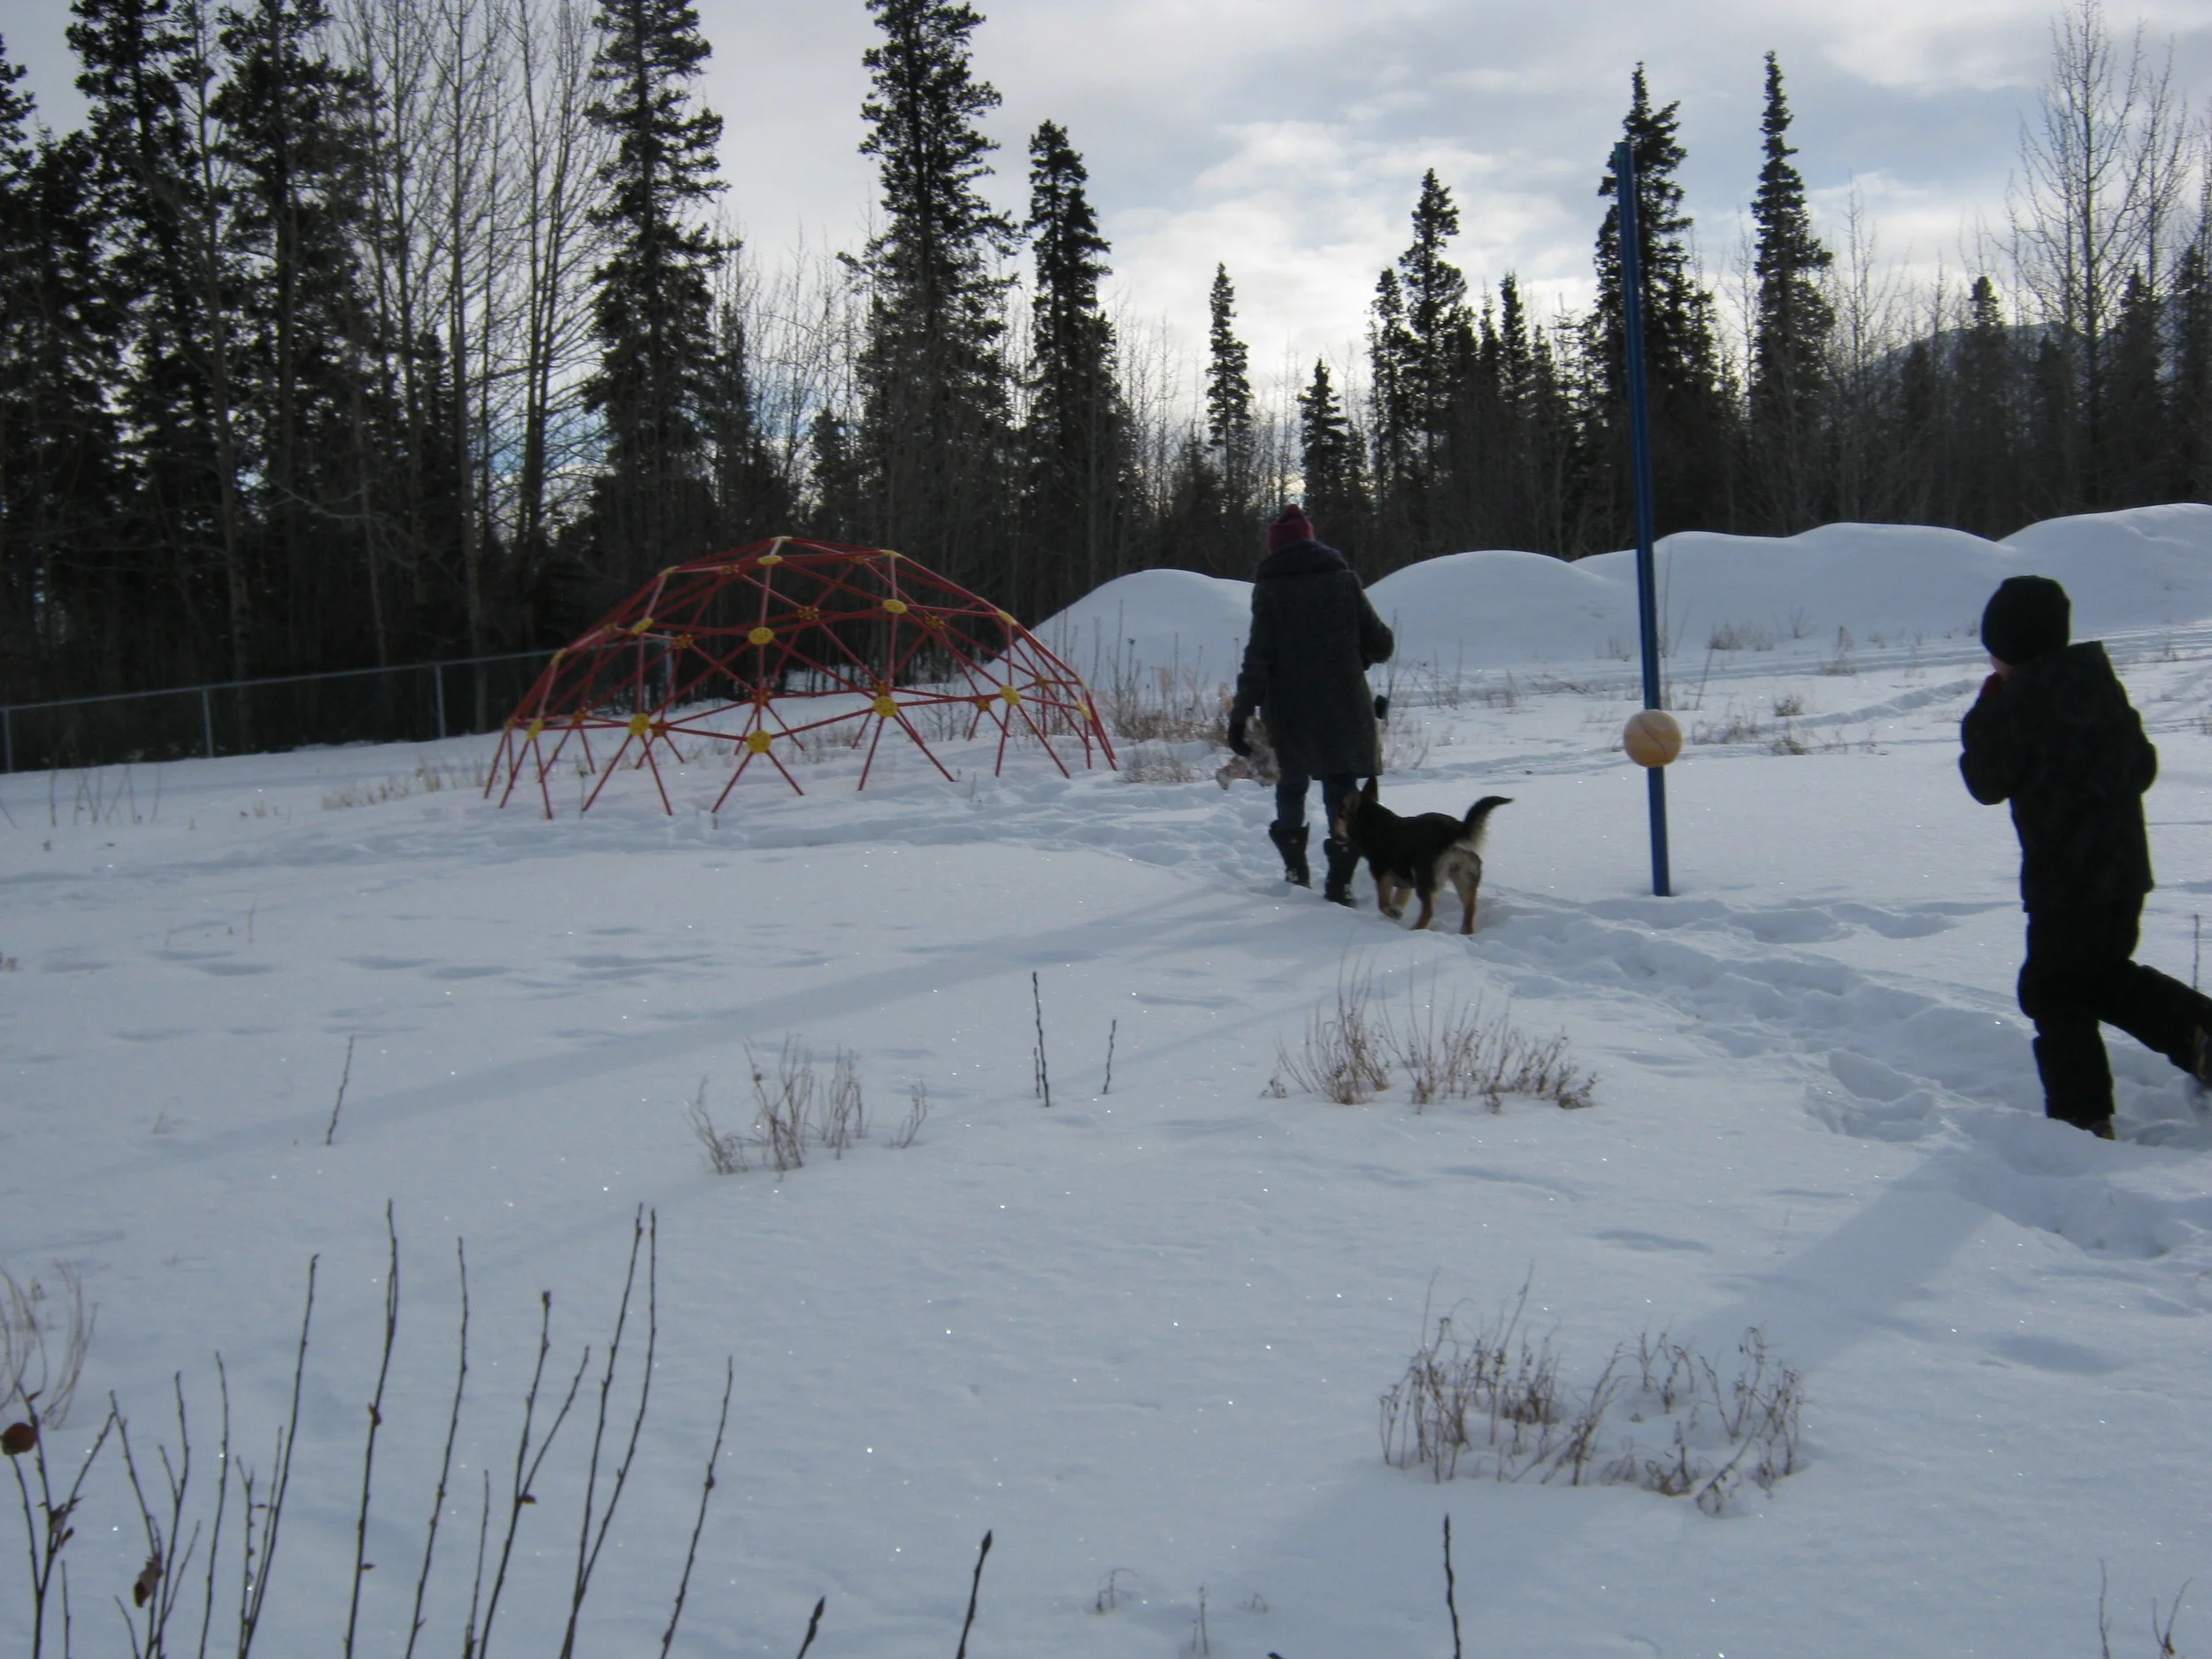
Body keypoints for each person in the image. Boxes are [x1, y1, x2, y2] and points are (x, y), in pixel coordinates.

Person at [1959, 573, 2212, 1137]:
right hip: (2125, 873)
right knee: (2101, 979)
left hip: (2063, 884)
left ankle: (2081, 1119)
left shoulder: (2014, 707)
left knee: (2054, 992)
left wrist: (1988, 710)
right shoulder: (2098, 685)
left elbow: (1986, 782)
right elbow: (2141, 766)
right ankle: (2200, 1033)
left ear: (2009, 650)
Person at [1228, 504, 1393, 903]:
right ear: (1311, 541)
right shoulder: (1344, 581)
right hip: (1344, 705)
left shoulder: (1270, 589)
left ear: (1274, 549)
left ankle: (1295, 872)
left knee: (1290, 785)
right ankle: (1340, 883)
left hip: (1289, 710)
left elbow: (1258, 658)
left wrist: (1241, 713)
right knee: (1341, 789)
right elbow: (1382, 645)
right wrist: (1354, 656)